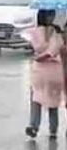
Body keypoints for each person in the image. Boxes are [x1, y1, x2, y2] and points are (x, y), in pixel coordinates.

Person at [26, 9, 64, 139]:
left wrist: (38, 57)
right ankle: (53, 130)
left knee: (36, 97)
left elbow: (34, 48)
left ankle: (33, 126)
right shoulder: (58, 33)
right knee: (53, 100)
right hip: (55, 71)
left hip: (39, 71)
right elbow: (54, 50)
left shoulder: (34, 31)